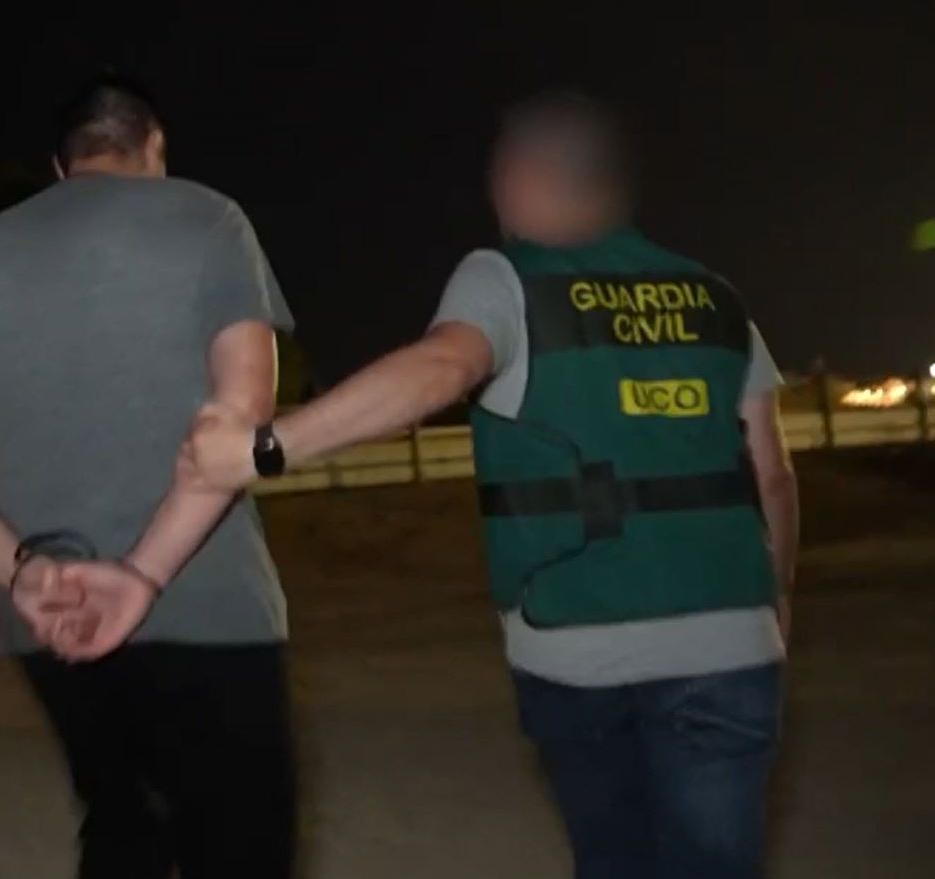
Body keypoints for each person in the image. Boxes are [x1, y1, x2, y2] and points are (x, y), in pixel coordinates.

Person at [184, 93, 799, 879]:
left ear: (521, 182)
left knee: (615, 859)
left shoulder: (505, 278)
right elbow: (772, 475)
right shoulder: (716, 297)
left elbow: (442, 366)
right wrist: (775, 600)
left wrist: (264, 449)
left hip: (578, 648)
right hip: (732, 641)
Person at [0, 74, 297, 879]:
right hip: (206, 597)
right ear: (154, 147)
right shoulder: (209, 217)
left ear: (61, 165)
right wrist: (143, 572)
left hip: (50, 616)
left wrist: (23, 574)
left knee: (122, 824)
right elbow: (244, 412)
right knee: (241, 841)